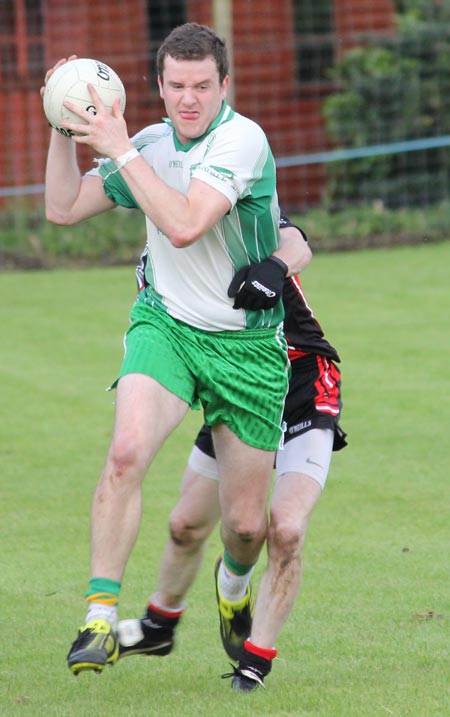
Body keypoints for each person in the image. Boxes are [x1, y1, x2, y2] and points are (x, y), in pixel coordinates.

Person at [42, 22, 299, 677]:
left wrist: (119, 147)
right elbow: (64, 208)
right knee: (125, 452)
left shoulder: (242, 141)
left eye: (202, 86)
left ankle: (234, 584)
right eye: (177, 86)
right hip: (167, 329)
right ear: (157, 87)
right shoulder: (148, 142)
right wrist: (63, 123)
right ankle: (100, 616)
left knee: (245, 527)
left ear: (224, 86)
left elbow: (184, 223)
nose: (189, 99)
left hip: (246, 348)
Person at [117, 217, 347, 691]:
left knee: (284, 529)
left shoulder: (234, 217)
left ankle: (253, 661)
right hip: (239, 392)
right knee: (185, 526)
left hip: (302, 383)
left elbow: (297, 239)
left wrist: (275, 267)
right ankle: (160, 625)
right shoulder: (154, 263)